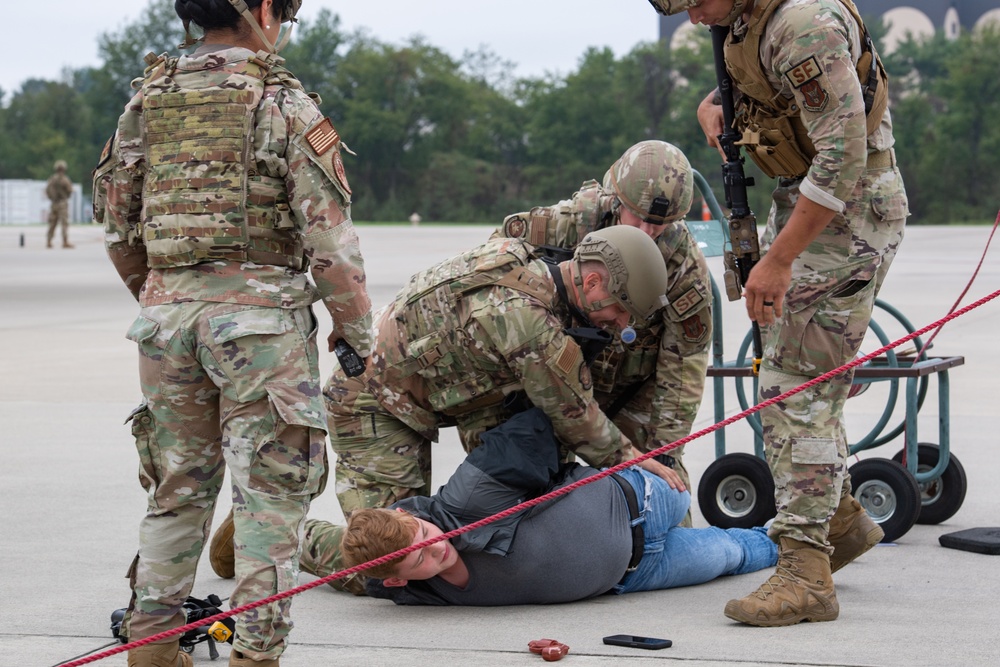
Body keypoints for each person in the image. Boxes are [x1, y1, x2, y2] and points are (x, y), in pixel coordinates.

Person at [92, 0, 373, 665]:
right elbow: (330, 244)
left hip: (165, 324)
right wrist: (357, 333)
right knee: (269, 504)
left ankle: (153, 650)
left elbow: (116, 224)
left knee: (176, 493)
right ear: (266, 9)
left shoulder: (146, 104)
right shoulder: (282, 104)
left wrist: (168, 299)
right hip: (260, 331)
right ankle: (255, 656)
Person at [645, 0, 908, 626]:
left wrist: (780, 259)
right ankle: (834, 521)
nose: (691, 19)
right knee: (791, 380)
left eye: (694, 3)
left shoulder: (801, 24)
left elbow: (842, 157)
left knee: (797, 390)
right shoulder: (749, 20)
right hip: (810, 210)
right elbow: (776, 83)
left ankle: (805, 571)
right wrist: (717, 102)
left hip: (845, 219)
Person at [331, 408, 777, 605]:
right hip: (632, 578)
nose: (437, 550)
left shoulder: (470, 497)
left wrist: (620, 455)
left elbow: (536, 426)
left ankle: (812, 522)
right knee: (734, 554)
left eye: (425, 538)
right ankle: (816, 537)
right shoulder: (406, 592)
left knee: (687, 499)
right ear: (396, 581)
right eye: (420, 561)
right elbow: (347, 566)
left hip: (639, 500)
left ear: (411, 517)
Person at [494, 140, 713, 511]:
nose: (647, 230)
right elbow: (497, 272)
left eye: (659, 223)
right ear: (617, 199)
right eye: (638, 216)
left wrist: (666, 450)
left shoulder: (684, 268)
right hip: (554, 375)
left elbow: (684, 365)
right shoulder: (570, 225)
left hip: (633, 387)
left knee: (658, 485)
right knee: (526, 483)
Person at [46, 160, 74, 248]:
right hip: (62, 203)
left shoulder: (52, 179)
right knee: (64, 223)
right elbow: (69, 190)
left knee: (52, 223)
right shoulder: (65, 179)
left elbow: (47, 190)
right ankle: (65, 241)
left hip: (54, 203)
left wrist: (52, 198)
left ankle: (49, 241)